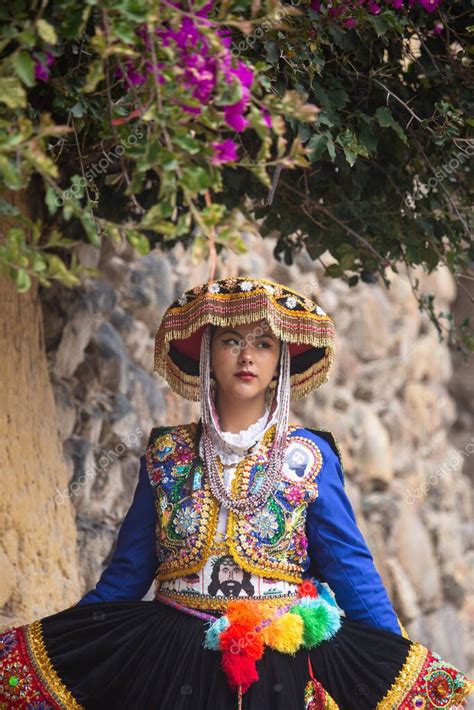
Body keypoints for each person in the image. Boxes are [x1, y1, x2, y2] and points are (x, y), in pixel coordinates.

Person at [0, 276, 472, 710]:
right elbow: (125, 576)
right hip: (170, 657)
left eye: (263, 344)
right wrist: (64, 642)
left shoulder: (307, 460)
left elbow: (350, 570)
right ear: (207, 354)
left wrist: (399, 662)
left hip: (279, 666)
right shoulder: (167, 455)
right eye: (231, 340)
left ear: (280, 361)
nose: (247, 356)